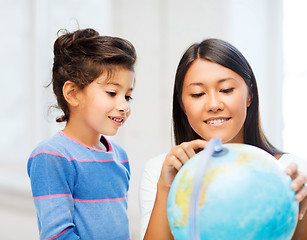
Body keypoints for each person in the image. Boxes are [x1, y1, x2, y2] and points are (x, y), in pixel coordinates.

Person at [139, 38, 307, 239]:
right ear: (182, 104)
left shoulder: (288, 171)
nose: (213, 104)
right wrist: (166, 187)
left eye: (226, 90)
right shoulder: (160, 171)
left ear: (249, 95)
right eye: (197, 93)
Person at [27, 28, 136, 239]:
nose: (124, 106)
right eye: (112, 93)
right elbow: (57, 235)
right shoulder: (52, 156)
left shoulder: (120, 156)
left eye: (128, 96)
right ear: (73, 93)